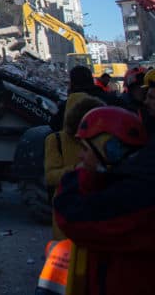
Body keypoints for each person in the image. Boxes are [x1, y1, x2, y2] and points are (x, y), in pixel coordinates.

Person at [53, 106, 154, 294]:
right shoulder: (136, 178)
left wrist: (81, 175)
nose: (80, 156)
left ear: (109, 149)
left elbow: (70, 215)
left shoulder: (136, 197)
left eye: (85, 148)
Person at [43, 93, 104, 239]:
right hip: (66, 209)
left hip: (94, 207)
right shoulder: (56, 140)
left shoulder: (98, 139)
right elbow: (50, 177)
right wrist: (76, 169)